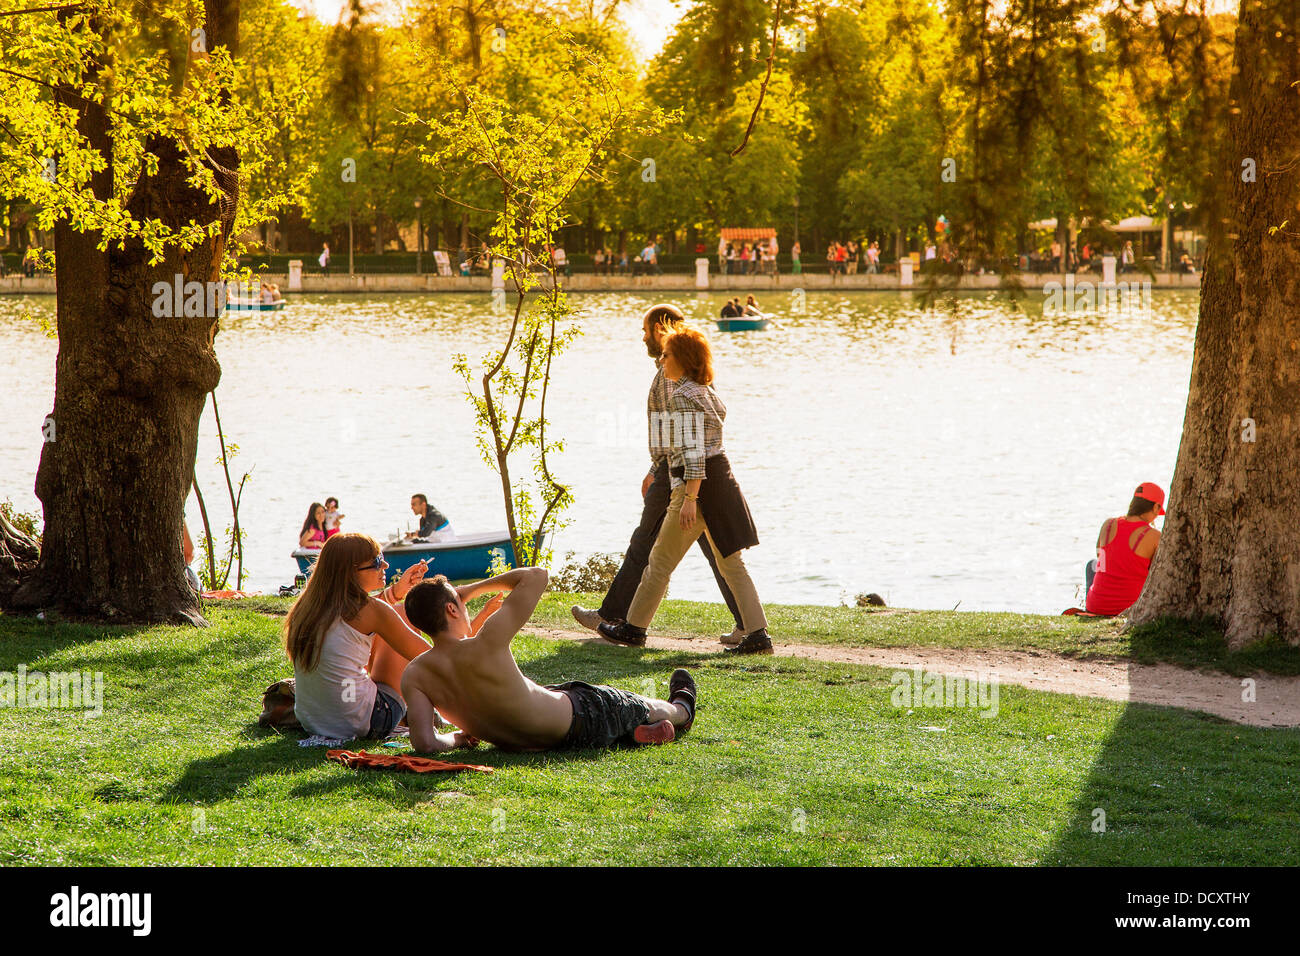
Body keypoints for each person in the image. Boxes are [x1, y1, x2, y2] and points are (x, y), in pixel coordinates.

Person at [571, 305, 746, 643]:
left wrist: (660, 471)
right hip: (680, 469)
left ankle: (614, 617)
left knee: (646, 543)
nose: (642, 336)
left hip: (676, 471)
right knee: (715, 549)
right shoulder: (676, 368)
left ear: (658, 328)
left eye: (645, 330)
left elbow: (678, 430)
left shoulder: (674, 375)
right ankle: (747, 626)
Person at [598, 326, 772, 655]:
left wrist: (689, 499)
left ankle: (634, 629)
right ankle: (758, 635)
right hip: (721, 484)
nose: (661, 360)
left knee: (659, 561)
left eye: (667, 354)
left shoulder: (682, 395)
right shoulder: (706, 390)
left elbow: (694, 452)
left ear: (683, 358)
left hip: (695, 489)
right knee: (732, 564)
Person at [403, 568, 698, 752]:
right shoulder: (487, 642)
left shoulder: (415, 675)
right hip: (581, 719)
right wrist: (472, 589)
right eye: (461, 603)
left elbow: (426, 743)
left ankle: (631, 733)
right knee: (628, 702)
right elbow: (536, 576)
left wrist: (457, 739)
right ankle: (681, 708)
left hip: (525, 742)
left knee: (552, 690)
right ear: (453, 610)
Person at [284, 533, 434, 740]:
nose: (386, 566)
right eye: (377, 562)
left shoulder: (308, 608)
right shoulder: (371, 610)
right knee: (402, 615)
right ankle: (422, 708)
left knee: (391, 616)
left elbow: (361, 617)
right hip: (368, 721)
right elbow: (427, 655)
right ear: (351, 572)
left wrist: (396, 592)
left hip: (314, 722)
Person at [1084, 482, 1165, 616]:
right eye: (1158, 512)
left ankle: (1092, 602)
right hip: (1130, 608)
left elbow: (1101, 558)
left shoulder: (1108, 524)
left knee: (1092, 565)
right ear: (1156, 507)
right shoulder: (1154, 536)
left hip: (1096, 608)